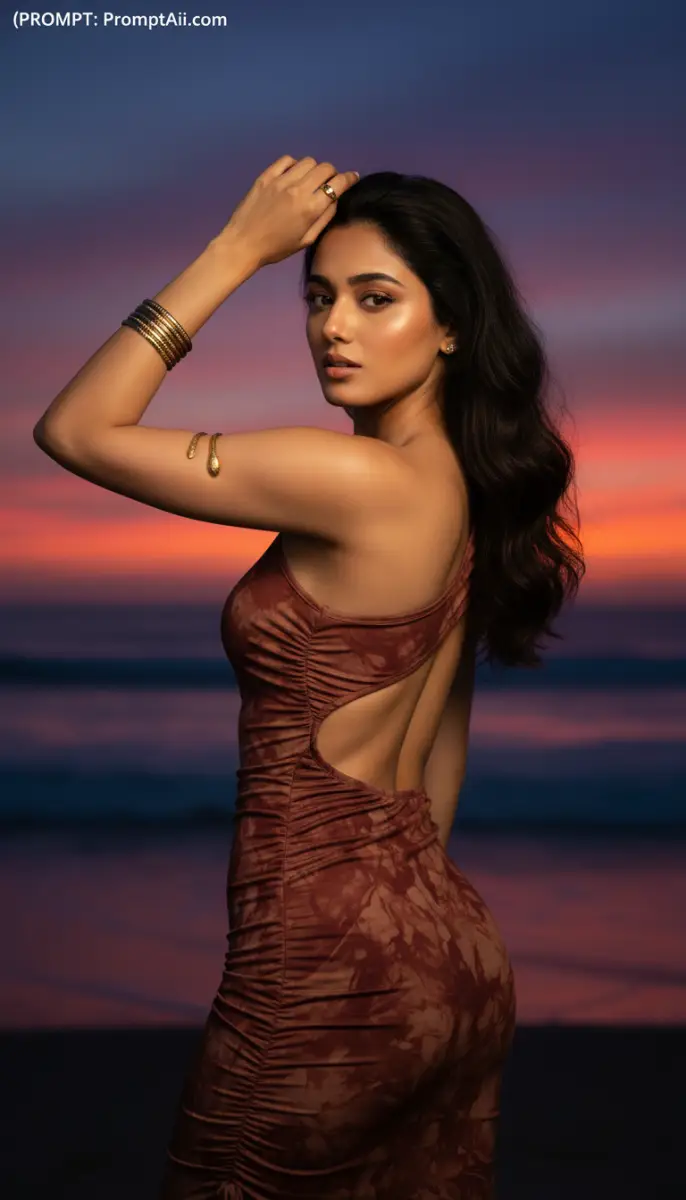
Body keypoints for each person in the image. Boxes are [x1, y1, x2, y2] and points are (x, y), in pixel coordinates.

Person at [33, 155, 584, 1198]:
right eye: (317, 295)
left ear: (452, 324)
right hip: (450, 957)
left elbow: (74, 430)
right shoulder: (458, 496)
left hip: (325, 978)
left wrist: (237, 247)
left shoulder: (358, 480)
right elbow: (437, 755)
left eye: (375, 299)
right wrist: (407, 943)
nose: (332, 326)